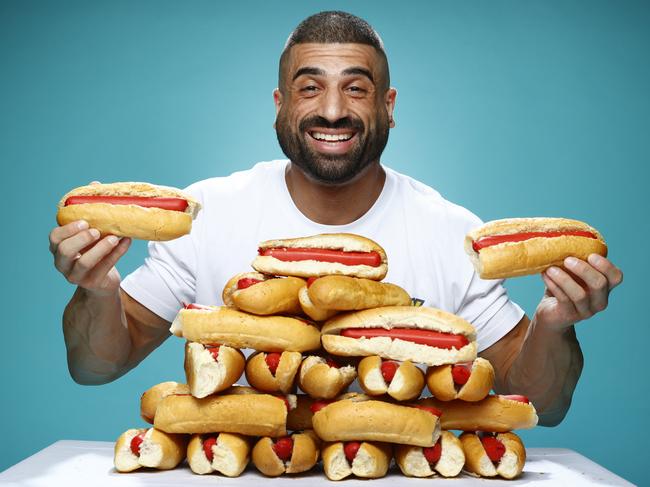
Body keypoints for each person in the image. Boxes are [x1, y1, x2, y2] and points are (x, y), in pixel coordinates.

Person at [48, 11, 622, 426]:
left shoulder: (452, 231)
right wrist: (96, 289)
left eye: (356, 87)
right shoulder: (210, 212)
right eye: (310, 87)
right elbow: (94, 368)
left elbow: (541, 406)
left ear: (388, 107)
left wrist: (554, 323)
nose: (331, 110)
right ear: (280, 105)